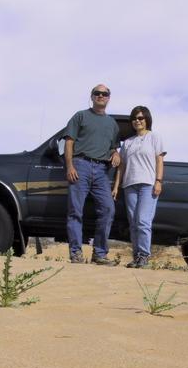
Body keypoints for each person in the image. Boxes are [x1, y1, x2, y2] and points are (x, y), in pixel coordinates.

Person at [63, 84, 121, 265]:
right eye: (97, 93)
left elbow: (113, 147)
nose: (101, 96)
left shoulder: (112, 123)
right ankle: (76, 253)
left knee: (108, 209)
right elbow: (69, 142)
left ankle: (100, 254)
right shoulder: (80, 116)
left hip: (102, 171)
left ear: (109, 98)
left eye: (105, 94)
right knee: (75, 211)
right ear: (92, 96)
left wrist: (116, 153)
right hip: (80, 165)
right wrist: (70, 166)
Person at [112, 106, 166, 268]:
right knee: (134, 223)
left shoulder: (154, 137)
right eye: (135, 118)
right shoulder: (128, 142)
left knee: (143, 221)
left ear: (147, 120)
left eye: (141, 118)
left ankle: (144, 255)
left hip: (148, 184)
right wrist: (116, 187)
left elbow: (159, 160)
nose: (137, 121)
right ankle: (137, 257)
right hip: (129, 185)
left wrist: (158, 181)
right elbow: (121, 167)